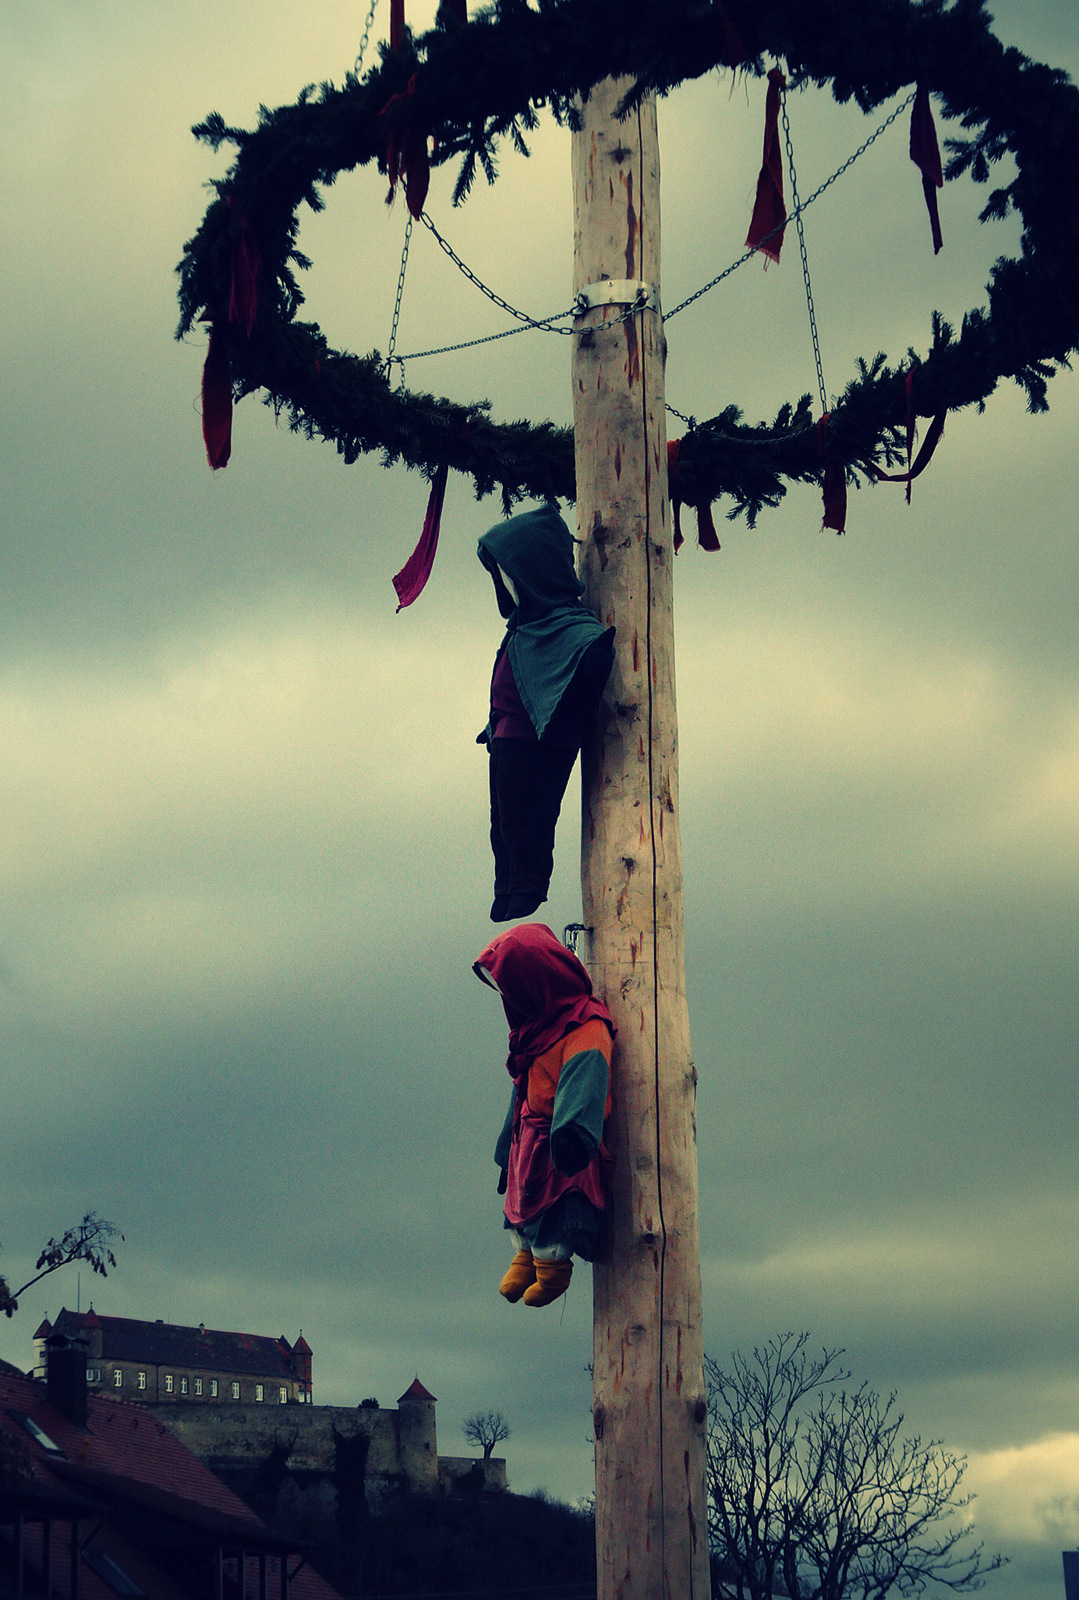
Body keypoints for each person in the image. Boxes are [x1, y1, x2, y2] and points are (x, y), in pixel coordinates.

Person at [477, 503, 614, 922]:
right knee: (502, 822)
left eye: (515, 574)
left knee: (529, 817)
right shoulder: (524, 627)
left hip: (537, 740)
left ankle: (529, 886)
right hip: (506, 737)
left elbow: (592, 659)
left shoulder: (573, 630)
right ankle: (507, 886)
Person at [474, 922, 614, 1307]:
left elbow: (585, 1076)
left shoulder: (585, 1025)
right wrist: (506, 1148)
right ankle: (525, 1256)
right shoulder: (533, 1030)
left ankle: (552, 1269)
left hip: (559, 1142)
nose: (510, 996)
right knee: (524, 1203)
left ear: (535, 980)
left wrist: (572, 1135)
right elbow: (521, 1089)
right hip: (528, 1140)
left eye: (513, 985)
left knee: (556, 1209)